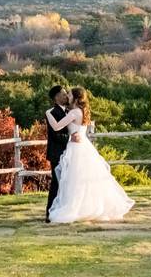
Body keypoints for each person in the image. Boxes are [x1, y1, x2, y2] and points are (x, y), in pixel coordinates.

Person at [45, 86, 135, 223]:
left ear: (75, 98)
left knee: (73, 181)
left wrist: (48, 114)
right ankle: (86, 208)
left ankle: (74, 209)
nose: (67, 96)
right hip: (84, 147)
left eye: (68, 94)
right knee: (82, 181)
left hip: (75, 148)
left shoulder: (73, 113)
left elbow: (57, 127)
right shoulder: (81, 111)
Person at [44, 85, 71, 222]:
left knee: (67, 183)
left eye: (66, 93)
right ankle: (50, 213)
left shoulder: (69, 111)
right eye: (63, 94)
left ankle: (63, 211)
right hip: (57, 152)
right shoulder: (53, 112)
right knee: (56, 183)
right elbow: (56, 135)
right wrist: (71, 139)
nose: (66, 96)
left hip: (69, 153)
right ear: (56, 97)